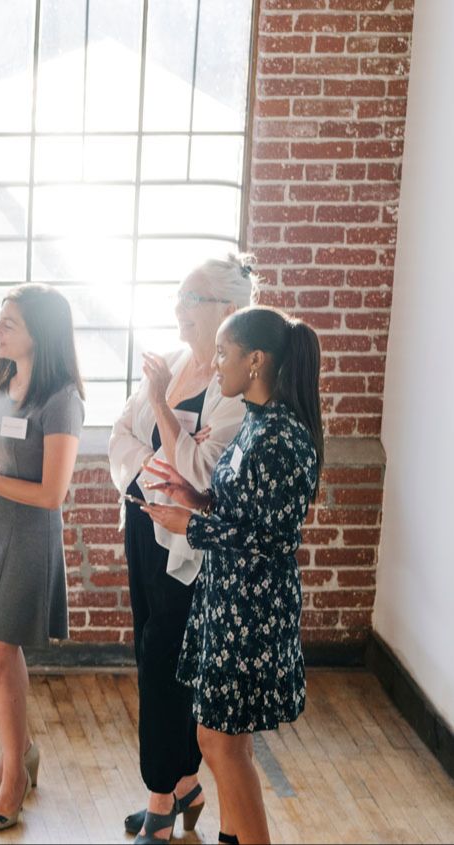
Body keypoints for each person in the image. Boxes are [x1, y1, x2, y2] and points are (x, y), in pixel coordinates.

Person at [142, 307, 324, 845]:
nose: (215, 364)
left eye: (223, 353)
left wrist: (192, 526)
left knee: (221, 743)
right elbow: (243, 511)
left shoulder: (282, 439)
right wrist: (193, 497)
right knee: (222, 740)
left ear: (256, 360)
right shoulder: (255, 422)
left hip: (252, 608)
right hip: (228, 599)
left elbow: (274, 540)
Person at [109, 256, 254, 843]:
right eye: (178, 295)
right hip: (143, 522)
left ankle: (161, 798)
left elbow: (204, 471)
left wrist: (164, 413)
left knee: (165, 658)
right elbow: (121, 435)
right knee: (150, 650)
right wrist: (160, 466)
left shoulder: (231, 387)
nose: (178, 308)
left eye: (191, 297)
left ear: (228, 310)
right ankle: (183, 785)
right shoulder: (166, 363)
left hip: (188, 545)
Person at [0, 283, 85, 832]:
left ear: (39, 335)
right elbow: (1, 453)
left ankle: (16, 779)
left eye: (9, 324)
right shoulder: (6, 375)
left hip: (27, 533)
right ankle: (16, 754)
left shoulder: (62, 397)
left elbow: (52, 493)